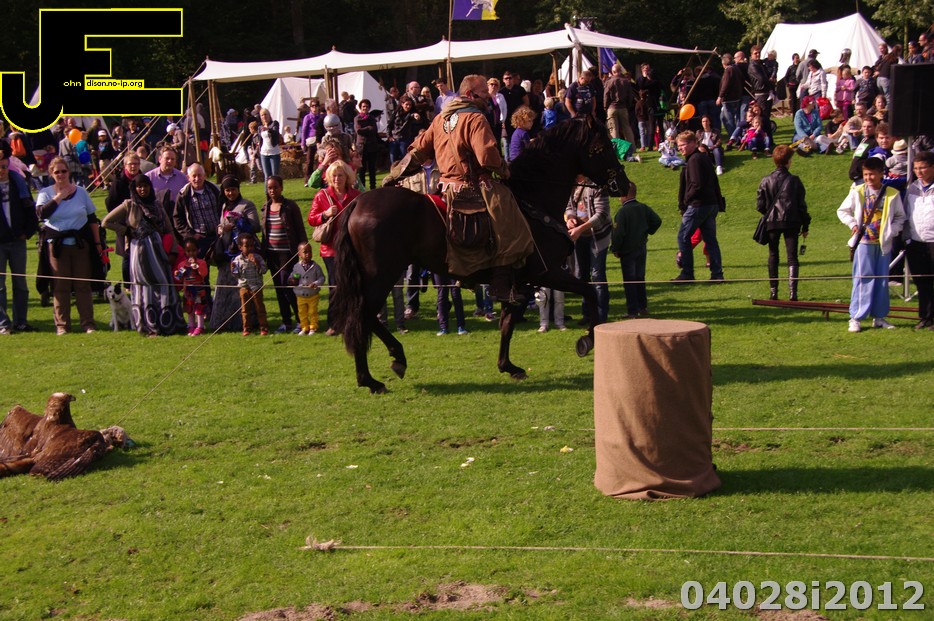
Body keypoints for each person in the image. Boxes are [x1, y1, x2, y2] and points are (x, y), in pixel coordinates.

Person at [384, 74, 534, 304]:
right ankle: (500, 284)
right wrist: (505, 170)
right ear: (471, 94)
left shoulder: (440, 119)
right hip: (473, 186)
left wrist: (394, 175)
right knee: (508, 217)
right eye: (484, 93)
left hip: (444, 187)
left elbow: (418, 152)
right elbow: (487, 157)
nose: (488, 97)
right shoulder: (475, 118)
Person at [101, 174, 185, 336]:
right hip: (140, 251)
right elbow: (106, 222)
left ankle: (168, 323)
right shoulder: (129, 204)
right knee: (145, 287)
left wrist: (174, 250)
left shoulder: (157, 205)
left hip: (159, 250)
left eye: (145, 186)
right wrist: (126, 231)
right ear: (134, 188)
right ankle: (150, 325)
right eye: (139, 186)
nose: (142, 189)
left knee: (163, 282)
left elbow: (168, 228)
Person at [837, 157, 906, 332]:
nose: (868, 178)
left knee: (882, 280)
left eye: (872, 174)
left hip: (883, 244)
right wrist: (853, 224)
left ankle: (879, 316)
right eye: (866, 174)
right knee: (863, 279)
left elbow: (900, 217)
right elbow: (842, 211)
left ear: (881, 173)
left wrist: (892, 231)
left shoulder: (892, 193)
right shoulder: (857, 191)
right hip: (863, 242)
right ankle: (856, 317)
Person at [36, 157, 103, 334]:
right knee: (61, 286)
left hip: (80, 245)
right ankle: (62, 325)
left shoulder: (81, 192)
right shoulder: (45, 193)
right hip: (57, 246)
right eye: (57, 172)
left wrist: (97, 243)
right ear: (51, 174)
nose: (61, 175)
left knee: (83, 285)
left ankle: (88, 323)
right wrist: (59, 197)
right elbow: (41, 214)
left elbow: (92, 219)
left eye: (63, 171)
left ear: (69, 172)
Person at [308, 160, 361, 334]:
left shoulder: (356, 195)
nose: (337, 179)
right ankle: (334, 323)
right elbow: (311, 219)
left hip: (351, 247)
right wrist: (325, 214)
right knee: (334, 285)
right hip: (330, 249)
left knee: (351, 285)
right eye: (334, 176)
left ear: (347, 177)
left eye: (340, 175)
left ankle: (351, 321)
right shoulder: (321, 195)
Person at [755, 146, 810, 301]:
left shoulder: (766, 180)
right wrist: (805, 225)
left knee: (773, 254)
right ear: (789, 161)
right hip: (792, 221)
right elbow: (801, 206)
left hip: (772, 221)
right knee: (792, 256)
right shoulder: (794, 180)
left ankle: (773, 292)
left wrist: (769, 213)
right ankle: (793, 293)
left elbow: (760, 205)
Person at [672, 131, 724, 282]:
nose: (680, 148)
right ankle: (717, 274)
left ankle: (687, 273)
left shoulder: (694, 159)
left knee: (683, 237)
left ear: (693, 143)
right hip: (711, 203)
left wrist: (686, 200)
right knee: (710, 239)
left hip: (699, 204)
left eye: (682, 145)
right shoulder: (703, 158)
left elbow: (696, 184)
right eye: (678, 146)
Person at [211, 175, 259, 333]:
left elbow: (255, 226)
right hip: (226, 253)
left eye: (233, 190)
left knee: (243, 288)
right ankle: (224, 322)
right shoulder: (224, 205)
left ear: (238, 190)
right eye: (227, 190)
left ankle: (246, 322)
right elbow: (221, 224)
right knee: (226, 289)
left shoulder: (247, 205)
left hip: (242, 254)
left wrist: (237, 222)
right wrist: (221, 228)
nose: (230, 193)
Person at [261, 175, 307, 334]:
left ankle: (300, 321)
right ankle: (286, 322)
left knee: (289, 286)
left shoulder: (290, 206)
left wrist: (302, 248)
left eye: (275, 187)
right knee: (279, 289)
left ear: (281, 187)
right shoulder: (266, 207)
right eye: (269, 188)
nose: (272, 190)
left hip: (288, 253)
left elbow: (300, 229)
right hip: (272, 254)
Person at [610, 181, 661, 318]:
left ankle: (632, 310)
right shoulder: (643, 207)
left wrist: (615, 248)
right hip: (641, 247)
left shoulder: (622, 212)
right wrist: (647, 231)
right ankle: (643, 307)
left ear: (624, 195)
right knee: (640, 278)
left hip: (627, 251)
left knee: (629, 281)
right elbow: (657, 221)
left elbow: (618, 234)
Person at [565, 176, 611, 324]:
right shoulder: (572, 184)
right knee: (582, 276)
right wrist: (570, 218)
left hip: (597, 237)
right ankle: (587, 314)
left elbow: (601, 215)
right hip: (580, 237)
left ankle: (601, 316)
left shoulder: (598, 186)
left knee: (597, 276)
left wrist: (580, 229)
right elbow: (568, 206)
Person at [0, 154, 37, 335]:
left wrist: (28, 232)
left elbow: (31, 211)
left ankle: (21, 321)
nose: (1, 171)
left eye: (3, 167)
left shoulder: (19, 185)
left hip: (17, 241)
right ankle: (3, 323)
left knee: (20, 283)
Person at [904, 151, 934, 330]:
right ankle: (925, 317)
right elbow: (906, 214)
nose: (919, 172)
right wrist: (907, 239)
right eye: (916, 168)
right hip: (916, 242)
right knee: (922, 282)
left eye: (922, 168)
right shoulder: (912, 188)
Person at [173, 163, 221, 259]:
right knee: (200, 266)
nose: (197, 179)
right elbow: (177, 218)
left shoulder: (215, 189)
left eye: (199, 175)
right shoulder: (183, 194)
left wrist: (222, 227)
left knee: (223, 263)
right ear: (188, 177)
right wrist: (191, 235)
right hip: (199, 239)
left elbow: (225, 209)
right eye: (194, 176)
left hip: (218, 235)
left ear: (204, 176)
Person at [230, 231, 269, 336]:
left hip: (256, 287)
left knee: (259, 308)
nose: (250, 248)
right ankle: (246, 328)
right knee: (245, 309)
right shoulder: (237, 260)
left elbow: (264, 270)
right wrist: (233, 269)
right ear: (240, 247)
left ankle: (264, 327)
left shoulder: (258, 257)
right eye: (247, 246)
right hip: (244, 287)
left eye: (252, 245)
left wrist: (257, 263)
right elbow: (236, 275)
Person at [174, 239, 211, 336]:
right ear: (185, 252)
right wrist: (177, 274)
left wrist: (197, 266)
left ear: (198, 250)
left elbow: (204, 274)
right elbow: (179, 279)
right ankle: (191, 326)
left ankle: (200, 326)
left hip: (199, 290)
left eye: (194, 250)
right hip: (188, 291)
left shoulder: (201, 262)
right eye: (188, 251)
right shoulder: (182, 264)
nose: (191, 253)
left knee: (199, 309)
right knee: (189, 309)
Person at [288, 241, 325, 335]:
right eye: (305, 252)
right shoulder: (296, 267)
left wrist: (316, 283)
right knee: (302, 312)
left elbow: (322, 278)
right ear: (299, 254)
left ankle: (313, 327)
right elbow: (292, 277)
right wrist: (292, 280)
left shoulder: (316, 267)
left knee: (313, 312)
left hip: (313, 295)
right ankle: (304, 327)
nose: (308, 254)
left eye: (310, 251)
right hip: (300, 295)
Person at [604, 64, 635, 144]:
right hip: (623, 107)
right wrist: (628, 105)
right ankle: (631, 147)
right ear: (620, 71)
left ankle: (616, 148)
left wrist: (605, 107)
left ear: (613, 71)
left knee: (613, 129)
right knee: (627, 128)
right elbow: (630, 95)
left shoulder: (609, 82)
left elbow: (606, 95)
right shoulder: (626, 81)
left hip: (612, 107)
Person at [353, 99, 380, 190]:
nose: (365, 108)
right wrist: (369, 127)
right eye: (363, 106)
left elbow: (374, 130)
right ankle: (362, 189)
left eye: (367, 106)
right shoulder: (357, 118)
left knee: (372, 169)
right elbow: (358, 131)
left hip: (372, 146)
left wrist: (366, 129)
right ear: (360, 107)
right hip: (361, 147)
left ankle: (373, 188)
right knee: (362, 169)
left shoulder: (371, 118)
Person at [257, 108, 281, 179]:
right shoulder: (260, 127)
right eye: (262, 115)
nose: (264, 116)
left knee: (274, 175)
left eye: (265, 114)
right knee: (267, 175)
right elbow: (259, 139)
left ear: (269, 115)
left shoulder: (274, 124)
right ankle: (267, 187)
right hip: (264, 153)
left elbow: (276, 133)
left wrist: (268, 129)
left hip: (274, 152)